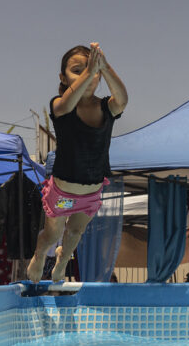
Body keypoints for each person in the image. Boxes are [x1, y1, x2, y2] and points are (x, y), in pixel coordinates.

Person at [27, 42, 128, 282]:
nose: (89, 74)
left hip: (90, 193)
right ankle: (41, 253)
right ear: (62, 77)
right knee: (54, 234)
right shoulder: (60, 105)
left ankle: (62, 261)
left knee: (75, 232)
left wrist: (105, 66)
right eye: (77, 69)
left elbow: (122, 99)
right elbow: (65, 104)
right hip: (63, 192)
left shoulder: (106, 107)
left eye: (93, 70)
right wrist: (91, 70)